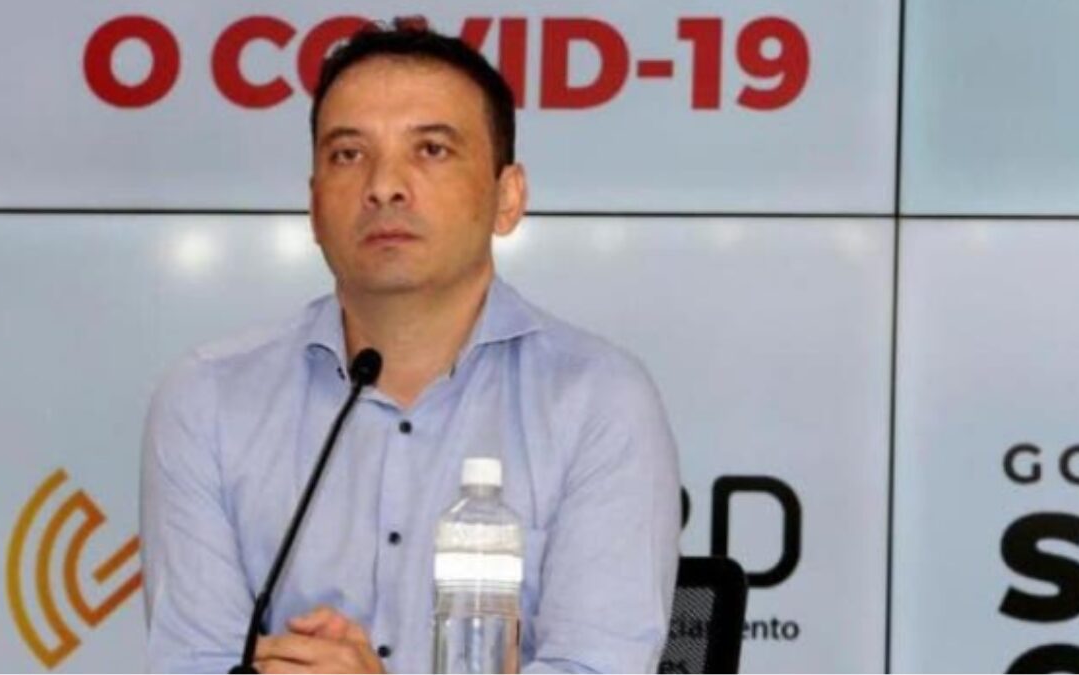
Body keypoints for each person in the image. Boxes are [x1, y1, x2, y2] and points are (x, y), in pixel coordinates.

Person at [140, 19, 680, 674]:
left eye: (431, 149)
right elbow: (194, 662)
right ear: (314, 206)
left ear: (507, 198)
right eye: (348, 154)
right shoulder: (209, 400)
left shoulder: (597, 401)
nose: (383, 186)